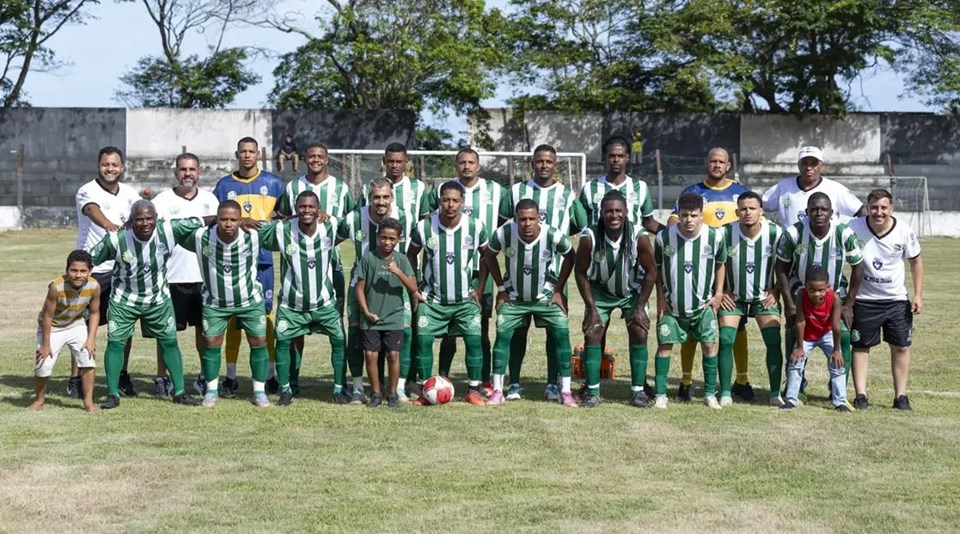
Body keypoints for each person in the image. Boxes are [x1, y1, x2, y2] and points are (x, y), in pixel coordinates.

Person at [88, 200, 203, 409]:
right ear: (131, 220)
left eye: (149, 218)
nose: (145, 223)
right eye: (139, 219)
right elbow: (89, 259)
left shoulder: (168, 230)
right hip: (124, 300)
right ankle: (113, 394)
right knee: (116, 343)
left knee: (169, 342)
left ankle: (179, 392)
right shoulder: (116, 239)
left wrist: (239, 221)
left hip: (158, 300)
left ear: (156, 218)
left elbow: (204, 220)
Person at [499, 144, 587, 401]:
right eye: (539, 161)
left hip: (555, 278)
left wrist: (556, 238)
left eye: (549, 161)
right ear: (532, 164)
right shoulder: (516, 191)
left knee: (554, 331)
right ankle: (514, 383)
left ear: (555, 164)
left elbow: (581, 226)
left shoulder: (567, 195)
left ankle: (552, 384)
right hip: (518, 275)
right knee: (518, 329)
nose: (544, 165)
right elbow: (501, 225)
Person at [668, 148, 754, 403]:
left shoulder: (739, 192)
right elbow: (673, 220)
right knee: (692, 323)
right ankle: (686, 381)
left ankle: (742, 379)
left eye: (721, 162)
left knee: (736, 325)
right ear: (706, 163)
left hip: (731, 268)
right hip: (699, 268)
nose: (717, 165)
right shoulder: (693, 192)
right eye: (713, 161)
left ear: (728, 165)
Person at [277, 142, 355, 394]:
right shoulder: (293, 187)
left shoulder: (341, 188)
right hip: (297, 263)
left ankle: (341, 384)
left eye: (320, 156)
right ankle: (293, 381)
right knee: (294, 328)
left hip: (331, 265)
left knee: (335, 326)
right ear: (304, 159)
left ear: (327, 159)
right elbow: (281, 218)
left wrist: (327, 240)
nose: (315, 160)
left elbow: (350, 222)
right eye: (311, 156)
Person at [178, 200, 271, 408]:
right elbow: (176, 228)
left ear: (241, 220)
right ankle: (211, 391)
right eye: (223, 219)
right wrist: (206, 219)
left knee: (258, 341)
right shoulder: (201, 237)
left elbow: (284, 226)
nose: (228, 224)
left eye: (233, 219)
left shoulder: (254, 235)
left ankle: (259, 391)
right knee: (212, 343)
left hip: (249, 301)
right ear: (216, 219)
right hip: (215, 302)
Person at [486, 198, 577, 406]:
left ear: (539, 218)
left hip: (545, 296)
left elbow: (570, 256)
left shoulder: (552, 234)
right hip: (514, 297)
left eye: (532, 219)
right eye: (522, 219)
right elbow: (489, 255)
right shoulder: (504, 233)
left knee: (561, 335)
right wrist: (501, 289)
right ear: (515, 219)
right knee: (503, 336)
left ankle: (564, 390)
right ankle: (500, 389)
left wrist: (558, 290)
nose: (527, 223)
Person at [259, 191, 346, 407]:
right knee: (283, 343)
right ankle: (286, 389)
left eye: (311, 206)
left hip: (324, 303)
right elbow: (258, 230)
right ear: (296, 209)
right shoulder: (283, 229)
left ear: (318, 209)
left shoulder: (331, 225)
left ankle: (338, 388)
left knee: (339, 340)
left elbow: (353, 225)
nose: (306, 210)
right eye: (302, 207)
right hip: (292, 305)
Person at [407, 181, 491, 405]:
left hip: (465, 300)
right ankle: (425, 392)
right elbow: (411, 255)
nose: (450, 205)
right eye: (446, 200)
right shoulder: (424, 227)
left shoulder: (475, 226)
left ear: (462, 202)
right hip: (432, 300)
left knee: (474, 341)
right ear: (439, 201)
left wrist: (480, 288)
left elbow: (487, 256)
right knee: (423, 342)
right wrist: (415, 288)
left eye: (455, 200)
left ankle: (473, 390)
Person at [213, 137, 284, 397]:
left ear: (258, 155)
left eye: (251, 151)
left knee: (265, 315)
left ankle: (270, 375)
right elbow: (216, 219)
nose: (247, 155)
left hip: (263, 260)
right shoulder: (224, 185)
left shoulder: (274, 183)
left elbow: (285, 216)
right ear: (237, 154)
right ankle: (230, 376)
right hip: (233, 260)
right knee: (233, 317)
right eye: (242, 151)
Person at [776, 193, 864, 403]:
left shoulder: (843, 233)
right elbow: (781, 267)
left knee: (843, 336)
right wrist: (788, 303)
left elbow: (858, 267)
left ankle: (837, 389)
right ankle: (796, 386)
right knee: (794, 334)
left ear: (831, 212)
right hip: (800, 293)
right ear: (806, 211)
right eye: (814, 209)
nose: (819, 213)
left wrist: (849, 304)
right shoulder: (793, 233)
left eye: (824, 209)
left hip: (834, 294)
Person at [429, 148, 505, 391]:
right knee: (448, 333)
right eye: (462, 162)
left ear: (478, 166)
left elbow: (504, 222)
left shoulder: (496, 191)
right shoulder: (442, 191)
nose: (467, 166)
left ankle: (483, 381)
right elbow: (429, 219)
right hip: (449, 273)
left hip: (481, 273)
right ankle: (442, 380)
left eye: (471, 162)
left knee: (481, 330)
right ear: (456, 165)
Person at [575, 190, 657, 408]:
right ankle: (592, 391)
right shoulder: (589, 237)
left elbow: (651, 271)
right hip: (601, 290)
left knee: (640, 330)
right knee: (593, 331)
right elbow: (580, 272)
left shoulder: (639, 236)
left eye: (618, 211)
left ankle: (638, 391)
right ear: (601, 213)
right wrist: (591, 308)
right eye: (609, 211)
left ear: (626, 212)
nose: (614, 215)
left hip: (631, 291)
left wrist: (640, 307)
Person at [847, 189, 923, 411]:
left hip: (896, 300)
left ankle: (901, 396)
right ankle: (861, 395)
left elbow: (916, 261)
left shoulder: (904, 230)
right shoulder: (853, 227)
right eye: (874, 207)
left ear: (891, 209)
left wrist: (918, 294)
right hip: (864, 299)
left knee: (901, 346)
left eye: (883, 208)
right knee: (861, 346)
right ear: (867, 207)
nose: (878, 212)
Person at [75, 146, 141, 398]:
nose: (110, 169)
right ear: (98, 165)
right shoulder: (86, 190)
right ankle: (76, 378)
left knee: (123, 325)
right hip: (93, 270)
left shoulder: (131, 194)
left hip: (123, 270)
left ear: (122, 167)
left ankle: (122, 375)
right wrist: (109, 226)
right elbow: (93, 210)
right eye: (105, 164)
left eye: (114, 165)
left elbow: (141, 217)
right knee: (82, 325)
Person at [151, 153, 218, 398]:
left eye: (191, 169)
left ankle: (204, 376)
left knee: (205, 330)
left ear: (199, 172)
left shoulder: (210, 200)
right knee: (167, 332)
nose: (187, 174)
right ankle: (162, 377)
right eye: (182, 169)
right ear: (175, 172)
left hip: (204, 277)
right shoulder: (162, 201)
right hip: (172, 277)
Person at [653, 193, 727, 409]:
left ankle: (710, 394)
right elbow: (657, 270)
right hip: (671, 306)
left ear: (701, 215)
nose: (689, 220)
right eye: (684, 215)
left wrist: (719, 293)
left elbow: (720, 264)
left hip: (703, 305)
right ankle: (660, 395)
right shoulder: (663, 238)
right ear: (679, 215)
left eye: (694, 215)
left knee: (710, 346)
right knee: (664, 347)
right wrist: (660, 299)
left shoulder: (715, 236)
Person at [338, 178, 407, 403]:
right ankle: (359, 387)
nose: (381, 201)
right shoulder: (353, 218)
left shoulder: (405, 218)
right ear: (369, 198)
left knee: (397, 338)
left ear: (392, 197)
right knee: (357, 336)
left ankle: (397, 388)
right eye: (376, 197)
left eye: (385, 197)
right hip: (360, 287)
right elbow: (331, 239)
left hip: (393, 289)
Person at [717, 192, 785, 407]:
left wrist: (776, 290)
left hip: (763, 297)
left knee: (773, 341)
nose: (748, 212)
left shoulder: (775, 232)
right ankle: (725, 392)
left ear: (761, 211)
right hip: (734, 298)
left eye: (752, 208)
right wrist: (721, 291)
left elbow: (785, 264)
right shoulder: (724, 232)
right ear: (737, 212)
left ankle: (775, 393)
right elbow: (716, 264)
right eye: (743, 209)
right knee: (726, 340)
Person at [355, 217, 423, 408]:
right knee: (371, 355)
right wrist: (366, 312)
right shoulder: (369, 258)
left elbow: (413, 288)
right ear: (378, 237)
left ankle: (392, 394)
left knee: (393, 355)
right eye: (384, 237)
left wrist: (397, 272)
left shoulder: (401, 260)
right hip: (371, 317)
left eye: (392, 239)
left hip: (394, 316)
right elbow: (359, 288)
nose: (387, 242)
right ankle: (376, 393)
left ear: (399, 239)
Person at [27, 250, 101, 412]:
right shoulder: (56, 287)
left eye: (83, 271)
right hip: (52, 327)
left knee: (88, 359)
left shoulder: (94, 286)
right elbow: (47, 316)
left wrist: (91, 339)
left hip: (76, 323)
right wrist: (46, 344)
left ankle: (89, 402)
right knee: (43, 364)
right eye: (73, 270)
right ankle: (39, 400)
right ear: (67, 270)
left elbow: (95, 313)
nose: (78, 275)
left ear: (90, 271)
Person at [781, 266, 850, 411]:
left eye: (821, 290)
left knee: (837, 364)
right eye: (812, 290)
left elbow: (836, 326)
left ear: (828, 287)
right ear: (805, 286)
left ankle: (840, 401)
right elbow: (800, 322)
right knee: (795, 362)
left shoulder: (834, 298)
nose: (816, 294)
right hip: (807, 335)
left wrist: (836, 350)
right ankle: (791, 399)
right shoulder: (801, 295)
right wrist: (800, 347)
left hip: (827, 333)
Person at [762, 146, 866, 226]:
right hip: (791, 245)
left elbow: (860, 211)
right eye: (804, 163)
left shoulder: (835, 188)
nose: (809, 168)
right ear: (799, 165)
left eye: (814, 163)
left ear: (821, 166)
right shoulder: (784, 186)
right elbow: (760, 203)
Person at [578, 136, 661, 233]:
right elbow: (580, 222)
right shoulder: (589, 188)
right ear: (605, 157)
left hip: (632, 243)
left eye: (620, 156)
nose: (616, 160)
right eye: (612, 156)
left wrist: (671, 232)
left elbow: (649, 222)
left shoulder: (640, 187)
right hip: (598, 242)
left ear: (627, 158)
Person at [359, 142, 431, 222]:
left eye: (399, 162)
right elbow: (360, 216)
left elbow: (424, 219)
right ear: (384, 161)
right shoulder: (368, 188)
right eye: (391, 161)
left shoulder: (418, 187)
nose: (394, 166)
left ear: (406, 162)